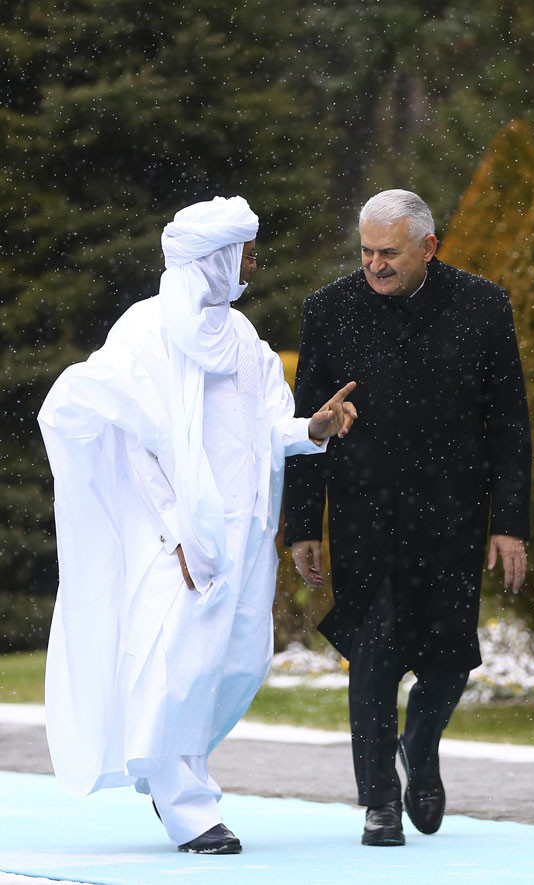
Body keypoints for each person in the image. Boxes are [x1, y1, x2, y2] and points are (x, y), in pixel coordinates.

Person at [38, 196, 357, 855]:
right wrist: (176, 530)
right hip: (181, 536)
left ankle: (170, 769)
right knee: (179, 668)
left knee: (238, 665)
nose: (254, 264)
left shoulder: (241, 336)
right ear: (214, 258)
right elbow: (132, 439)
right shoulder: (145, 329)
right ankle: (186, 803)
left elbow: (267, 427)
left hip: (247, 531)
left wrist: (312, 429)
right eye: (245, 253)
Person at [284, 188, 531, 846]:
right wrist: (303, 523)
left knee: (450, 661)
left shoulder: (483, 305)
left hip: (452, 519)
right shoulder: (329, 309)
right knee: (373, 656)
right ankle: (379, 801)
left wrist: (509, 520)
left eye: (389, 253)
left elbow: (509, 423)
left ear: (429, 246)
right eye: (366, 252)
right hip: (366, 517)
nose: (375, 265)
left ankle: (420, 740)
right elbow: (306, 424)